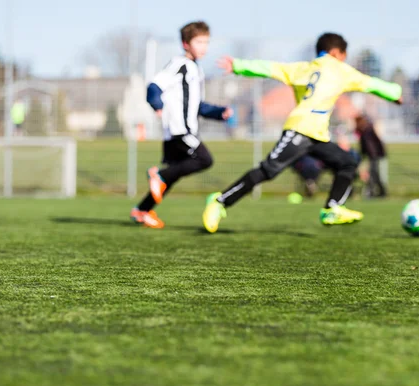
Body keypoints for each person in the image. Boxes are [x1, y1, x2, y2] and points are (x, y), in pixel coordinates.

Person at [202, 32, 403, 233]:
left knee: (347, 161)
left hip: (316, 135)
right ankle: (220, 202)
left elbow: (271, 68)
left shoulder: (302, 68)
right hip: (300, 130)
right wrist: (395, 93)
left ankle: (332, 208)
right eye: (343, 56)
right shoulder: (341, 70)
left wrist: (238, 65)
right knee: (267, 170)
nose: (344, 61)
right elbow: (371, 84)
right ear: (336, 53)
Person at [130, 21, 233, 228]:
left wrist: (218, 113)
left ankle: (142, 210)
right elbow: (154, 86)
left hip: (180, 132)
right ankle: (157, 175)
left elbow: (198, 106)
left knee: (172, 176)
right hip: (180, 130)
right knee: (205, 159)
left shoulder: (196, 69)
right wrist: (156, 103)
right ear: (186, 44)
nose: (204, 46)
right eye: (199, 41)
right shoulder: (180, 64)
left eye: (206, 42)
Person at [354, 114, 387, 198]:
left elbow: (369, 145)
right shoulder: (366, 129)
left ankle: (373, 192)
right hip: (372, 155)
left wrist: (364, 155)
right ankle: (381, 192)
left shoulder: (366, 130)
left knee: (373, 173)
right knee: (375, 174)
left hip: (373, 155)